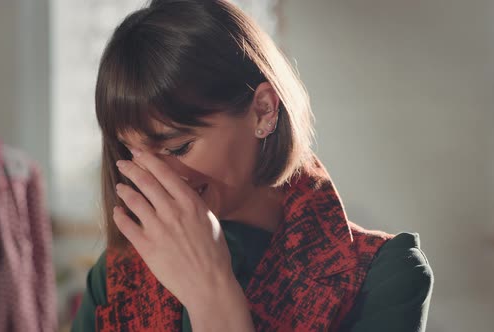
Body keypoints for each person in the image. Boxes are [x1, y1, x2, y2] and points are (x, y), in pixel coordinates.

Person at [72, 0, 433, 331]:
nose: (155, 177)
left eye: (179, 147)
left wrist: (211, 296)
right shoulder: (116, 276)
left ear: (263, 109)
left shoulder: (382, 276)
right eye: (134, 155)